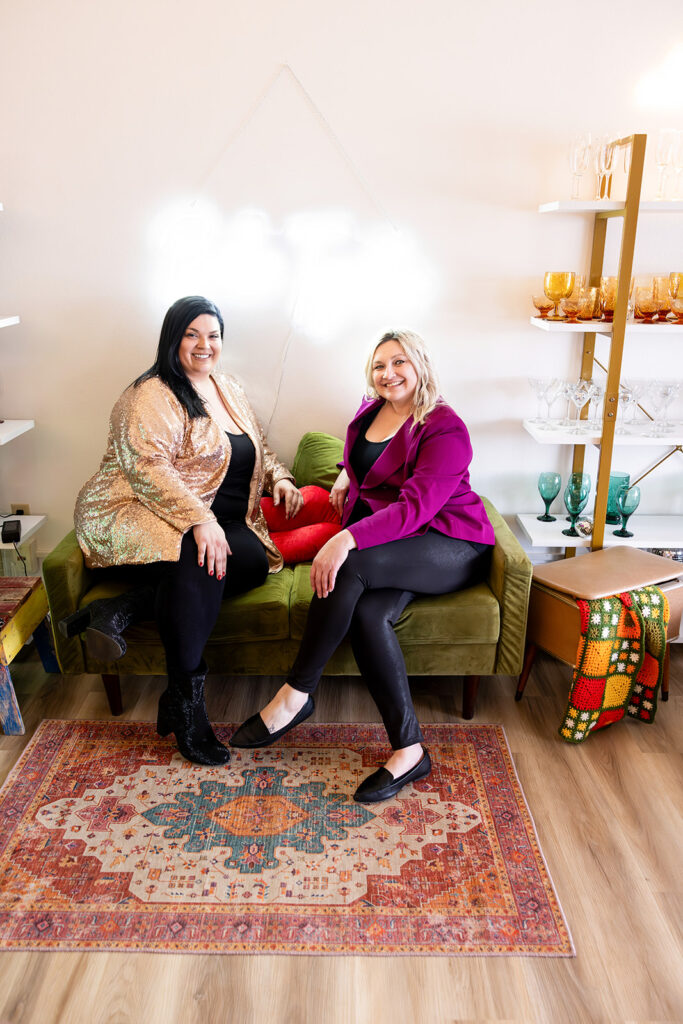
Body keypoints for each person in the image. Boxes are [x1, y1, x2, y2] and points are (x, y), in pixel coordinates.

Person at [230, 329, 495, 803]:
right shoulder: (370, 413)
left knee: (349, 566)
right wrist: (346, 479)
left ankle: (296, 695)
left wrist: (344, 539)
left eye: (399, 363)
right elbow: (366, 467)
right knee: (371, 616)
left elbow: (415, 507)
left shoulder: (444, 426)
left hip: (450, 540)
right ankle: (410, 749)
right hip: (402, 541)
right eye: (379, 366)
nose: (388, 373)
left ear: (420, 365)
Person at [62, 295, 303, 766]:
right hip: (139, 510)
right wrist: (200, 520)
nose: (203, 344)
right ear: (172, 338)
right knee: (199, 563)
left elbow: (258, 447)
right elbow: (147, 469)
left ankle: (118, 608)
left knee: (253, 562)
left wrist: (281, 477)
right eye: (192, 334)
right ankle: (186, 705)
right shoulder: (150, 393)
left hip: (227, 522)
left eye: (212, 335)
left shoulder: (227, 386)